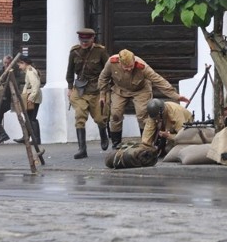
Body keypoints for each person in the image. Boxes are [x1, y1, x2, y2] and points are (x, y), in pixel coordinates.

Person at [98, 49, 189, 149]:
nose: (129, 69)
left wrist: (175, 95)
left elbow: (157, 79)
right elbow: (103, 78)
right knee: (115, 114)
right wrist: (102, 95)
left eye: (131, 66)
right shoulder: (111, 62)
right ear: (120, 62)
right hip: (120, 90)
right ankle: (116, 143)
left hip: (141, 90)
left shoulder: (142, 66)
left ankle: (146, 143)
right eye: (126, 67)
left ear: (134, 61)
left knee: (143, 114)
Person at [66, 28, 110, 159]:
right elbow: (70, 71)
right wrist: (69, 88)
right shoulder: (74, 52)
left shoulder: (100, 51)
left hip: (97, 89)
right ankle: (82, 149)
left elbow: (108, 70)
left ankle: (103, 133)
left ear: (92, 39)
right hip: (79, 89)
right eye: (82, 40)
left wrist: (105, 89)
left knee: (100, 118)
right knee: (80, 114)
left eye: (86, 41)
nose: (84, 43)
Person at [13, 58, 42, 145]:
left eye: (20, 65)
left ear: (24, 63)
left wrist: (31, 98)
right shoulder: (29, 71)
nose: (19, 67)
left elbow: (35, 86)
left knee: (32, 119)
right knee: (28, 118)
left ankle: (36, 139)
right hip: (31, 97)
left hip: (33, 98)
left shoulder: (30, 71)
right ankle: (26, 137)